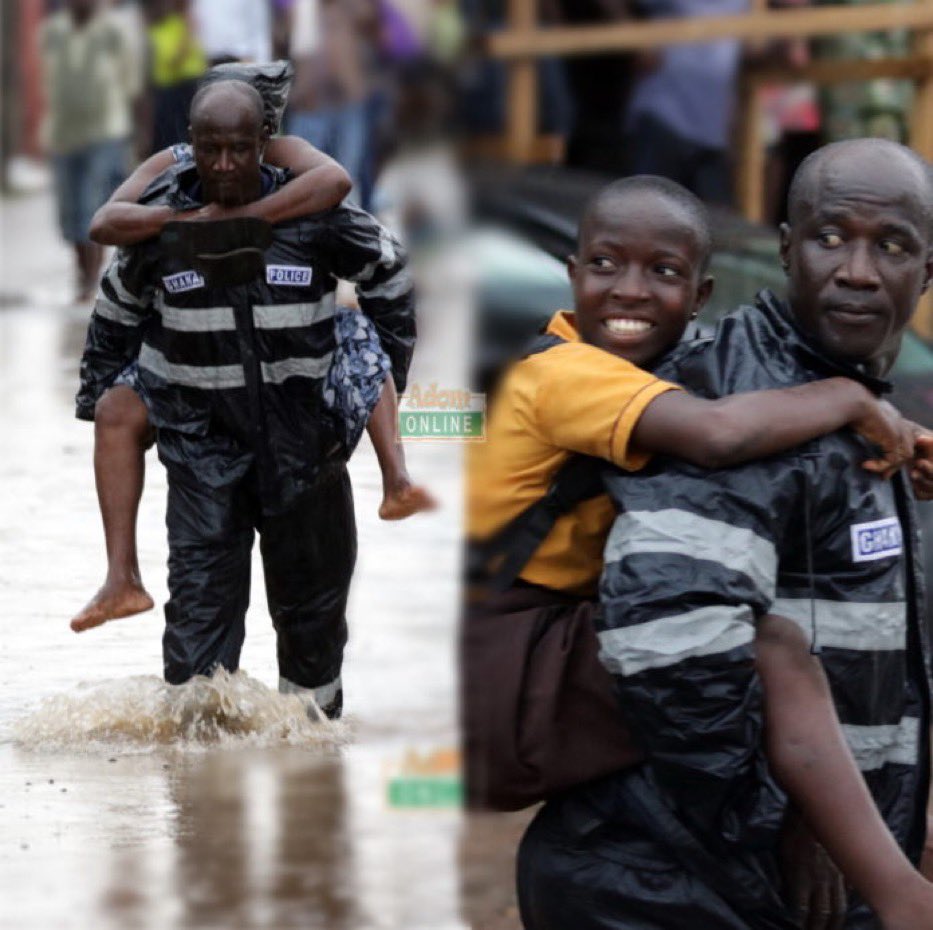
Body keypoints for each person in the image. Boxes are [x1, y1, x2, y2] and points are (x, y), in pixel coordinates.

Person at [517, 140, 933, 927]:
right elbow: (672, 647)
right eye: (828, 237)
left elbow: (858, 654)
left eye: (890, 246)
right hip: (663, 886)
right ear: (786, 250)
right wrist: (778, 815)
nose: (855, 269)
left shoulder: (857, 414)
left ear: (926, 270)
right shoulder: (743, 408)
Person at [75, 79, 416, 720]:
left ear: (265, 145)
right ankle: (203, 803)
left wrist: (375, 377)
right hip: (203, 456)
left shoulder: (314, 219)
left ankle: (313, 795)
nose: (225, 167)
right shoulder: (159, 230)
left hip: (305, 454)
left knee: (314, 649)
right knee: (195, 660)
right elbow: (113, 314)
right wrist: (119, 402)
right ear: (192, 148)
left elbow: (390, 274)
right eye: (211, 151)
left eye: (239, 150)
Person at [39, 0, 143, 300]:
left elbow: (130, 83)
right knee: (69, 212)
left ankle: (91, 279)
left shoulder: (114, 31)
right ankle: (81, 271)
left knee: (92, 205)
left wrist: (138, 136)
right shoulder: (53, 32)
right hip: (62, 135)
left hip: (104, 132)